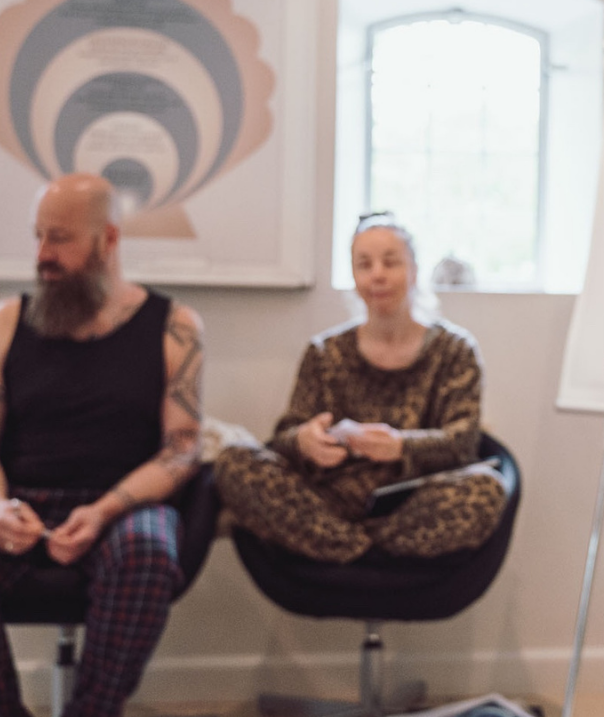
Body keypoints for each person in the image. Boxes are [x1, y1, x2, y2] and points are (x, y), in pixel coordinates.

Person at [0, 174, 204, 717]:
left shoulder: (174, 325)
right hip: (20, 503)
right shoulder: (6, 320)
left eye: (59, 238)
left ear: (107, 240)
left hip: (119, 506)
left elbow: (182, 448)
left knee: (149, 551)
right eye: (38, 236)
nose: (42, 254)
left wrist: (107, 508)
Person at [215, 212, 503, 563]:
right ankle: (360, 550)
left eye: (390, 262)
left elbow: (464, 442)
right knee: (233, 460)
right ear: (353, 276)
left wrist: (400, 446)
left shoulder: (454, 350)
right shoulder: (325, 352)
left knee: (485, 491)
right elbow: (282, 440)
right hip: (325, 503)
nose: (377, 275)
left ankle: (346, 550)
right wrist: (306, 439)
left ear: (413, 270)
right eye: (364, 264)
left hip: (413, 504)